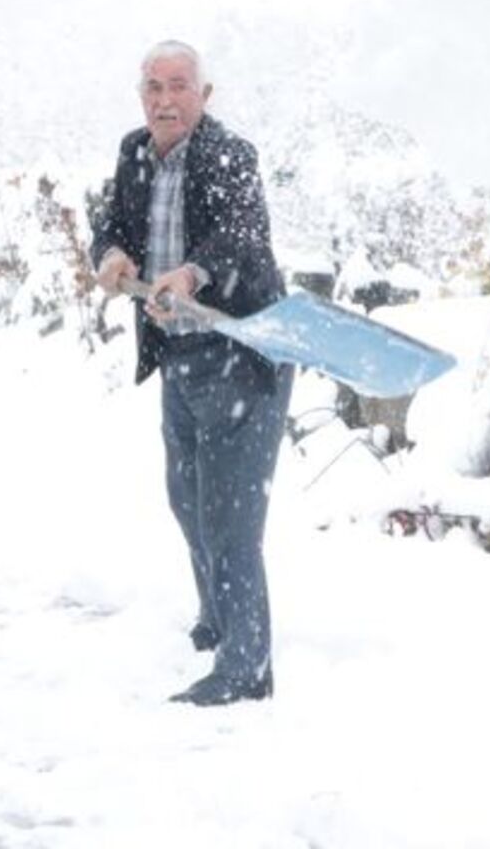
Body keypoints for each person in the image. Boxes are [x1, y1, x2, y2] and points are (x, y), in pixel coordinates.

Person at [91, 40, 294, 706]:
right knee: (187, 499)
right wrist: (114, 253)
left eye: (179, 85)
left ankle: (246, 667)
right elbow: (110, 224)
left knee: (230, 515)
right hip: (178, 356)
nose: (165, 99)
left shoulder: (229, 157)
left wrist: (192, 272)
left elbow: (240, 236)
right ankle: (218, 621)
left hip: (241, 352)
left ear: (205, 95)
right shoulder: (134, 154)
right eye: (153, 86)